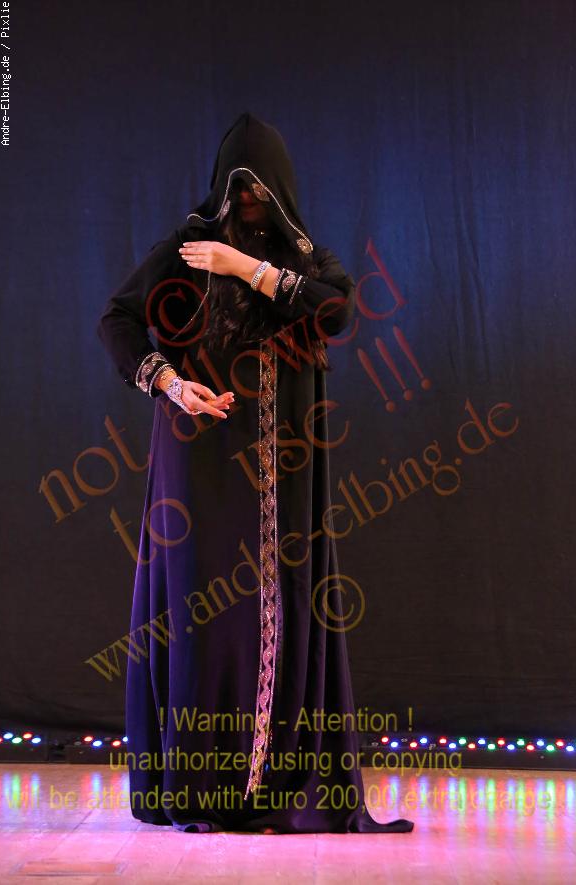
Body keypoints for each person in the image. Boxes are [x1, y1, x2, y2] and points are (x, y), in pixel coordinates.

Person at [97, 111, 414, 835]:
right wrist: (168, 382)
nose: (245, 201)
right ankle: (200, 792)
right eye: (235, 188)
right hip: (199, 458)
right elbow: (117, 318)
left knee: (279, 606)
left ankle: (272, 788)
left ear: (278, 191)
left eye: (258, 189)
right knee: (206, 616)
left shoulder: (304, 261)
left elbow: (336, 310)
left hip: (285, 464)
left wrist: (244, 268)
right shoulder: (186, 249)